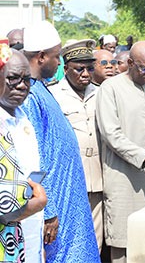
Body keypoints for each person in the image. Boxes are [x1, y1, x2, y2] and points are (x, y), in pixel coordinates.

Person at [21, 20, 100, 262]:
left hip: (71, 199)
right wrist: (48, 211)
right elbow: (35, 157)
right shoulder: (29, 96)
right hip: (57, 204)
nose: (59, 63)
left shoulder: (41, 88)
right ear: (42, 56)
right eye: (56, 57)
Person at [96, 41, 145, 263]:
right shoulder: (110, 89)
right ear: (129, 63)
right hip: (122, 176)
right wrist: (144, 156)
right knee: (123, 240)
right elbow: (111, 134)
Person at [48, 39, 103, 253]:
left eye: (90, 68)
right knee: (68, 238)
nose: (86, 74)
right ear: (66, 67)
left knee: (95, 240)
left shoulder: (100, 93)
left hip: (98, 177)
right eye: (79, 69)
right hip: (70, 177)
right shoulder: (53, 94)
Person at [0, 43, 47, 263]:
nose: (21, 86)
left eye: (26, 79)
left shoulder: (23, 117)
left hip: (27, 229)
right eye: (13, 79)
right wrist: (29, 209)